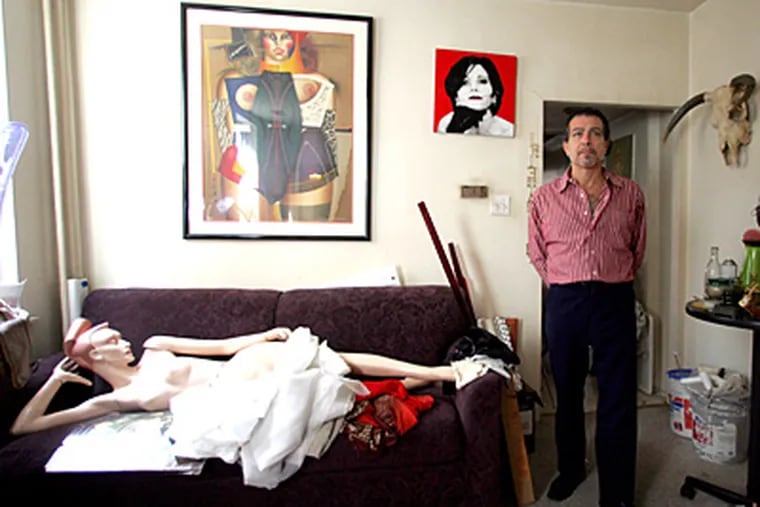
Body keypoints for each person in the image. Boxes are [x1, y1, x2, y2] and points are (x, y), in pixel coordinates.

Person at [11, 318, 461, 436]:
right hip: (239, 402)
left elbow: (222, 346)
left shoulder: (155, 346)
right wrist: (54, 381)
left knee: (341, 363)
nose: (124, 341)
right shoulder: (115, 400)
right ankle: (430, 382)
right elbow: (23, 427)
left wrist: (264, 335)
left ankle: (436, 372)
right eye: (113, 341)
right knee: (346, 394)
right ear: (94, 356)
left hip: (247, 364)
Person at [527, 107, 646, 507]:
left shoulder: (631, 193)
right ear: (565, 146)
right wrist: (565, 283)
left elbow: (637, 249)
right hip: (566, 302)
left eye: (595, 133)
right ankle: (571, 469)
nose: (586, 141)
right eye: (578, 133)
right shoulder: (544, 198)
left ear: (606, 144)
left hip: (615, 299)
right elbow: (537, 252)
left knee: (618, 395)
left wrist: (612, 277)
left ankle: (617, 492)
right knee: (568, 390)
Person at [213, 28, 339, 223]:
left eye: (285, 37)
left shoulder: (321, 84)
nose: (279, 43)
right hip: (247, 164)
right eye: (271, 37)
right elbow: (224, 134)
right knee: (247, 236)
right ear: (258, 39)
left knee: (308, 237)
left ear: (296, 39)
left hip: (308, 160)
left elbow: (329, 132)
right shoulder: (232, 81)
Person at [437, 55, 514, 137]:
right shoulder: (445, 124)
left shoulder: (508, 130)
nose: (474, 88)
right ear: (456, 96)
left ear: (494, 94)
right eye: (465, 82)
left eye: (482, 81)